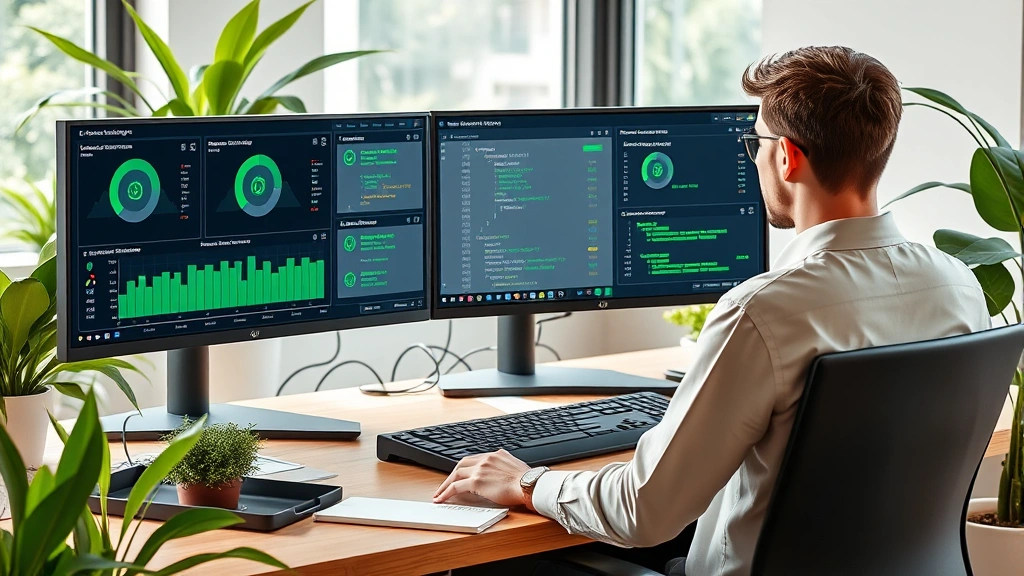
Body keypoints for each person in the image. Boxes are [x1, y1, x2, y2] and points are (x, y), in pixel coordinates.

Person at [435, 46, 990, 576]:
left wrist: (527, 482)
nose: (754, 156)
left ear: (787, 156)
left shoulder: (764, 313)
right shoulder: (958, 285)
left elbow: (643, 511)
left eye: (756, 142)